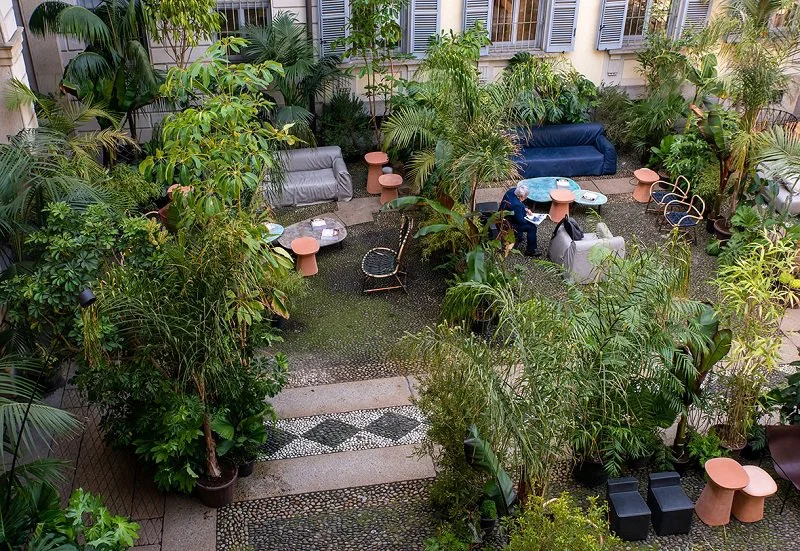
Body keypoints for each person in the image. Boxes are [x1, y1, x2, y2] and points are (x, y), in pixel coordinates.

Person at [500, 183, 540, 257]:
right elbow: (521, 221)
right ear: (520, 197)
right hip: (509, 224)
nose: (526, 198)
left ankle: (519, 236)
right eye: (525, 197)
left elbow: (520, 203)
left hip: (503, 216)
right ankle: (530, 250)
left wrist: (526, 209)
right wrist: (531, 219)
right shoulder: (516, 205)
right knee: (532, 227)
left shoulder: (512, 191)